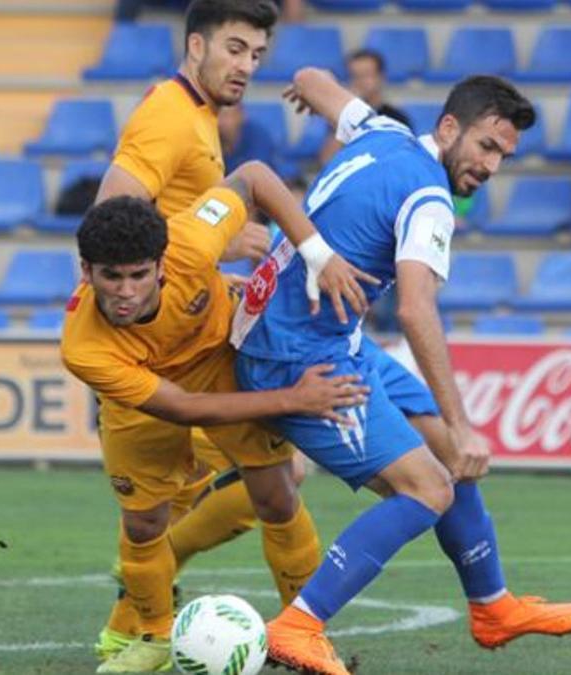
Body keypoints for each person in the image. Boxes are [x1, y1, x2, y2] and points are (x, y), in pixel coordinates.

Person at [231, 68, 571, 674]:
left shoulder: (382, 130)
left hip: (322, 330)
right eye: (486, 146)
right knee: (430, 485)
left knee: (443, 450)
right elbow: (415, 307)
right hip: (297, 355)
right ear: (449, 127)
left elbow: (312, 78)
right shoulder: (429, 200)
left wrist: (302, 88)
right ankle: (300, 623)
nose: (492, 166)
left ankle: (492, 605)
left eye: (504, 155)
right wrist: (466, 423)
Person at [63, 160, 376, 673]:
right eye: (110, 277)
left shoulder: (189, 240)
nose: (125, 291)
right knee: (143, 524)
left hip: (223, 360)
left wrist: (317, 255)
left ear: (161, 266)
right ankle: (156, 638)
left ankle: (303, 633)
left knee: (277, 495)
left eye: (139, 275)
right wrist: (293, 400)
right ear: (86, 272)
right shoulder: (84, 347)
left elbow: (253, 176)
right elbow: (181, 407)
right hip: (147, 397)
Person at [91, 0, 310, 663]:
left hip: (189, 331)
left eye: (256, 56)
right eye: (235, 49)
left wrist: (213, 271)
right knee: (253, 483)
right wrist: (197, 261)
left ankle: (135, 619)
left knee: (269, 481)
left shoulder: (198, 117)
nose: (246, 66)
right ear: (196, 46)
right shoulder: (167, 116)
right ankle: (138, 626)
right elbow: (113, 215)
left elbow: (174, 227)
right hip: (158, 348)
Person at [317, 48, 412, 166]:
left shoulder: (397, 118)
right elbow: (327, 160)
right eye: (355, 76)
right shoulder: (344, 118)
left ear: (381, 77)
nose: (360, 82)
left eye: (366, 75)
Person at [220, 103, 279, 174]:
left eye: (226, 115)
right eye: (216, 115)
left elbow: (256, 172)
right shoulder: (212, 135)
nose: (220, 121)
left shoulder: (258, 135)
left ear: (240, 115)